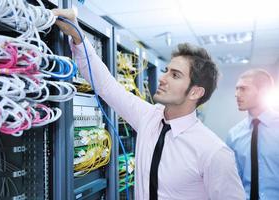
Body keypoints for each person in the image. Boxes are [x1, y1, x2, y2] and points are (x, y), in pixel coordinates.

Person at [52, 9, 245, 200]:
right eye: (167, 71)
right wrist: (78, 37)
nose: (162, 78)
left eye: (175, 75)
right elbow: (107, 87)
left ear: (195, 92)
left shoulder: (213, 152)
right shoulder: (149, 118)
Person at [227, 69, 279, 200]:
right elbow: (232, 179)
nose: (236, 94)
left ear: (263, 91)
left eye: (243, 89)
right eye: (236, 89)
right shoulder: (234, 135)